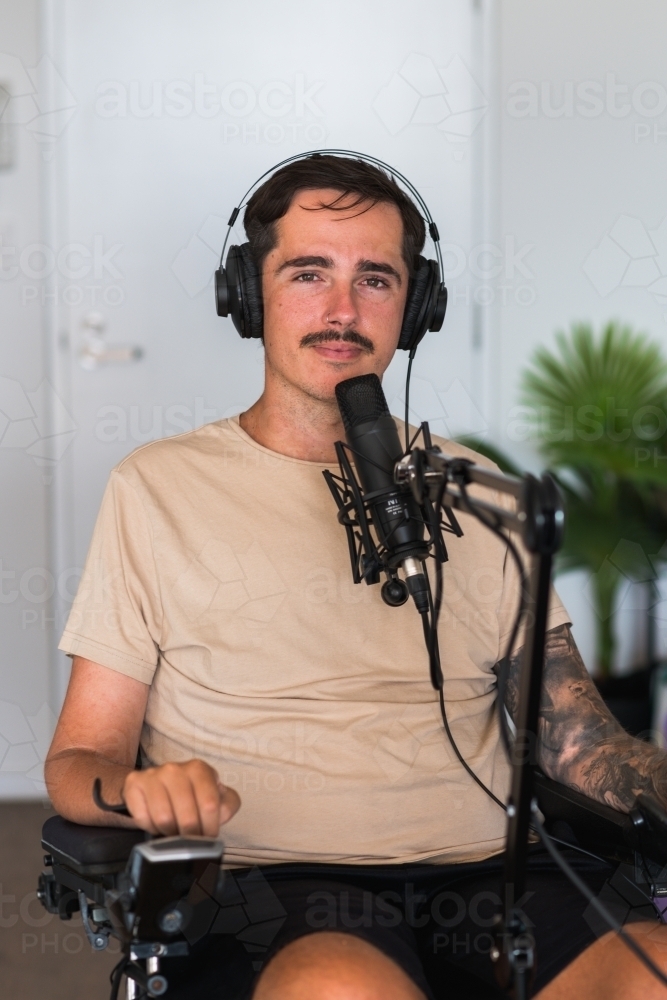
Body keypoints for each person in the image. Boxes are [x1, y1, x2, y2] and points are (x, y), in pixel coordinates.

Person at [45, 155, 667, 999]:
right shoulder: (156, 488)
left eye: (375, 279)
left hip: (491, 876)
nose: (343, 309)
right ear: (247, 295)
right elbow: (79, 758)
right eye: (309, 273)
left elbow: (579, 744)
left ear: (416, 306)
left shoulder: (479, 494)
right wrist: (139, 790)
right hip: (273, 883)